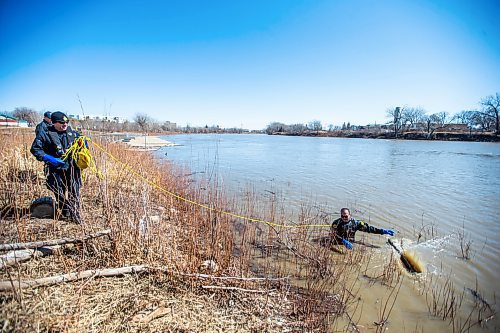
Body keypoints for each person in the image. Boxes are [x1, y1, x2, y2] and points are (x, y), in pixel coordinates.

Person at [30, 111, 83, 223]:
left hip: (72, 169)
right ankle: (65, 210)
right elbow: (35, 149)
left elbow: (82, 146)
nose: (65, 124)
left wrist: (84, 147)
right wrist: (50, 159)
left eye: (66, 122)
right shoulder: (45, 134)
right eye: (61, 122)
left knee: (75, 192)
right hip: (56, 170)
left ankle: (75, 215)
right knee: (59, 192)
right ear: (54, 122)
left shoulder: (73, 133)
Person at [331, 208, 395, 249]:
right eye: (342, 216)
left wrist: (382, 231)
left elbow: (369, 229)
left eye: (346, 216)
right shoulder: (336, 223)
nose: (344, 218)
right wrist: (343, 240)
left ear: (350, 215)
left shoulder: (356, 223)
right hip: (337, 243)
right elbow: (333, 234)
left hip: (351, 243)